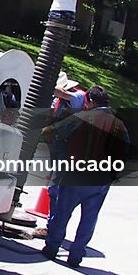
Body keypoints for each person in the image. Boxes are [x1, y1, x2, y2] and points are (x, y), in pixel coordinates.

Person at [40, 85, 130, 267]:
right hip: (101, 180)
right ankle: (76, 256)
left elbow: (52, 133)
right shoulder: (119, 125)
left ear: (89, 101)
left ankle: (52, 248)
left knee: (62, 213)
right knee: (89, 218)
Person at [33, 71, 87, 239]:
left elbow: (59, 93)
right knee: (54, 188)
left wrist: (47, 85)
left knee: (56, 190)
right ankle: (53, 227)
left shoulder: (77, 97)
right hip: (57, 145)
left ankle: (53, 229)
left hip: (69, 149)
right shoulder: (59, 101)